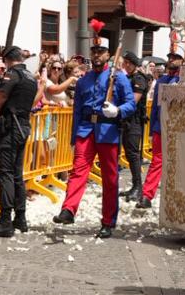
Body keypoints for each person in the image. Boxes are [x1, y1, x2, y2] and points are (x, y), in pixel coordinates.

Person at [54, 39, 134, 238]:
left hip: (108, 131)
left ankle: (108, 221)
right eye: (94, 51)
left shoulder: (119, 78)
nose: (97, 55)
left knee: (110, 178)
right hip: (85, 129)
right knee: (78, 171)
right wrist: (74, 137)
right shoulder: (83, 80)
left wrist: (117, 110)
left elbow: (131, 103)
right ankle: (68, 210)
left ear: (108, 55)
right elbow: (77, 110)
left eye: (101, 51)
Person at [0, 46, 37, 238]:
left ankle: (5, 221)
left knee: (5, 173)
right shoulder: (30, 77)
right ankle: (20, 218)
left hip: (10, 127)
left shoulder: (12, 75)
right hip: (22, 125)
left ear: (6, 60)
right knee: (17, 174)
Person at [142, 51, 182, 205]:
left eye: (176, 58)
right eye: (170, 58)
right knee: (157, 161)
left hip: (179, 128)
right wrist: (152, 129)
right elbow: (155, 108)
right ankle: (147, 195)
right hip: (160, 126)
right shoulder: (161, 81)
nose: (171, 60)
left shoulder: (184, 79)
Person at [119, 52, 150, 205]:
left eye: (126, 63)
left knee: (133, 154)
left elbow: (134, 101)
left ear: (132, 63)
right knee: (130, 153)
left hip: (135, 120)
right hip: (127, 121)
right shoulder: (130, 77)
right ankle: (134, 186)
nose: (125, 65)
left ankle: (138, 187)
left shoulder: (138, 78)